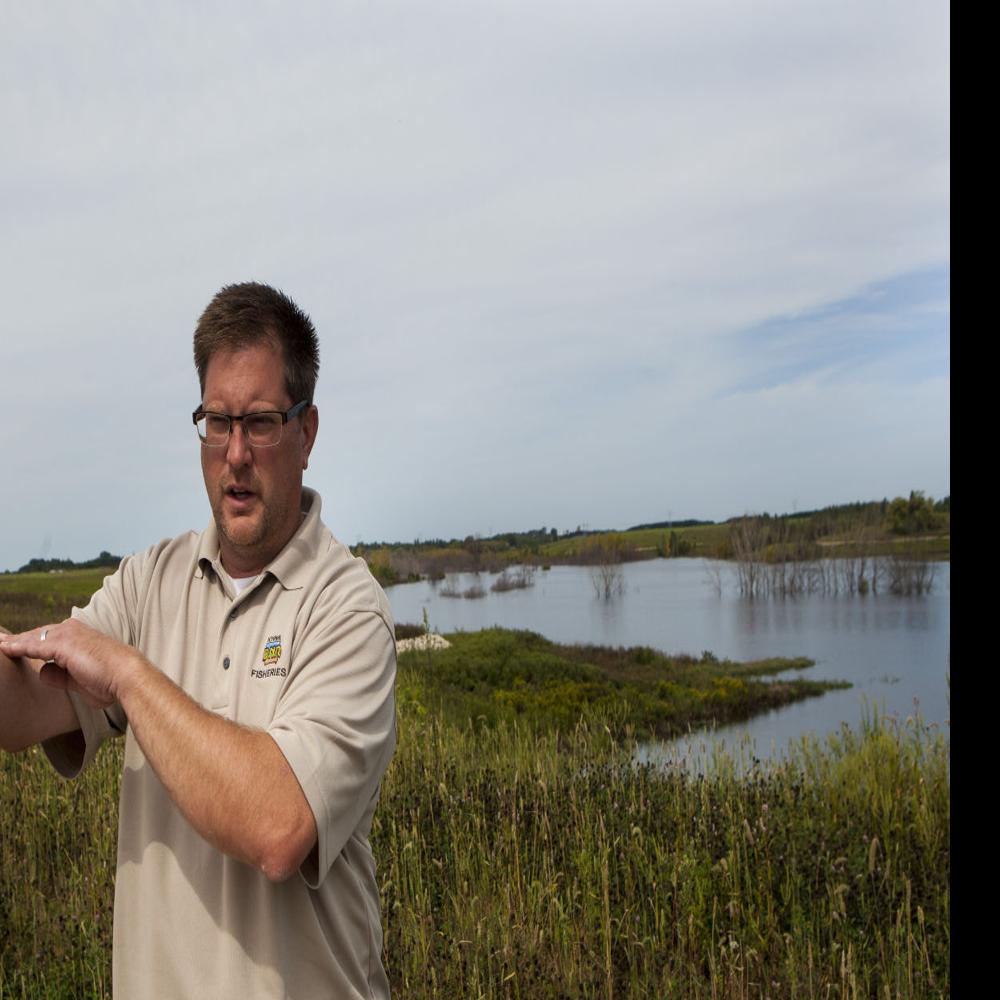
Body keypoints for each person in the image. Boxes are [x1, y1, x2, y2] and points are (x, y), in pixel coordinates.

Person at [0, 282, 397, 1000]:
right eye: (216, 422)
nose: (235, 454)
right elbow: (20, 709)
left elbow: (278, 827)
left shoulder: (348, 609)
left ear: (307, 433)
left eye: (261, 423)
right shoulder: (149, 581)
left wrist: (127, 674)